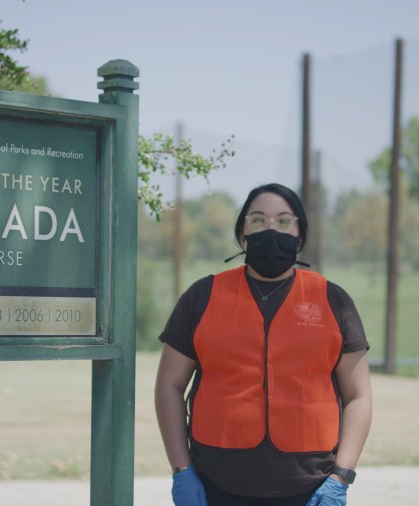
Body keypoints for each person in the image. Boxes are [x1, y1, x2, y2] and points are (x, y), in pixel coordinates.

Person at [155, 183, 373, 506]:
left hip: (311, 490)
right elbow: (168, 386)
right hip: (215, 487)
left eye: (284, 221)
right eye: (257, 220)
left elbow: (359, 396)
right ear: (243, 232)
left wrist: (341, 477)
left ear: (300, 235)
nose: (271, 229)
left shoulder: (333, 300)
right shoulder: (202, 297)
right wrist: (181, 471)